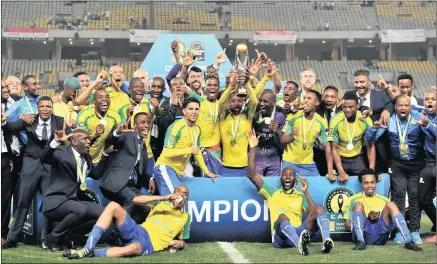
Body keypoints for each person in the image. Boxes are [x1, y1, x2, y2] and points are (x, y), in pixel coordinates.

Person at [247, 129, 334, 255]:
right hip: (281, 237)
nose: (288, 176)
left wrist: (306, 193)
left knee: (319, 208)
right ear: (281, 178)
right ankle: (300, 243)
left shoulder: (300, 195)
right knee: (282, 217)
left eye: (291, 174)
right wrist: (253, 148)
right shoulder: (272, 192)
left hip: (300, 231)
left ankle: (327, 240)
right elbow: (252, 175)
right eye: (285, 174)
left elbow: (312, 213)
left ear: (295, 179)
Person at [366, 95, 431, 244]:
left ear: (410, 107)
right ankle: (400, 232)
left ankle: (414, 231)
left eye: (406, 105)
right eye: (400, 105)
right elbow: (370, 139)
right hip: (397, 164)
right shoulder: (389, 120)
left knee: (414, 197)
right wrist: (374, 128)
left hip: (415, 163)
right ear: (395, 107)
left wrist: (426, 126)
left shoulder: (418, 117)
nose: (403, 108)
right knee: (399, 197)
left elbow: (431, 137)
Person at [2, 96, 64, 249]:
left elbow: (69, 136)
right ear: (37, 108)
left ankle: (48, 240)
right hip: (30, 166)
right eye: (42, 106)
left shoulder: (59, 121)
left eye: (48, 106)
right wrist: (19, 117)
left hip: (50, 167)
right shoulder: (29, 119)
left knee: (50, 204)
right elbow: (9, 126)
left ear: (52, 108)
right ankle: (12, 238)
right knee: (22, 203)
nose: (45, 109)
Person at [64, 184, 190, 259]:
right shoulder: (161, 203)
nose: (181, 195)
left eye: (185, 194)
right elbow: (135, 200)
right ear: (173, 193)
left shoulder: (186, 217)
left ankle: (92, 253)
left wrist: (182, 244)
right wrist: (164, 197)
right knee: (113, 206)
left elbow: (185, 241)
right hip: (138, 229)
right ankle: (87, 248)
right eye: (178, 191)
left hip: (148, 243)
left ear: (186, 199)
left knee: (132, 249)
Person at [41, 128, 105, 251]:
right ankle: (52, 238)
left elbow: (96, 174)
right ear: (74, 142)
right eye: (85, 139)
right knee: (81, 210)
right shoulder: (62, 153)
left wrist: (106, 154)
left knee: (103, 213)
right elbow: (44, 158)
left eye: (88, 139)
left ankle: (68, 237)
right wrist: (55, 141)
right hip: (55, 201)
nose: (89, 142)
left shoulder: (86, 157)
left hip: (73, 201)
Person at [343, 169, 422, 251]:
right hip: (363, 233)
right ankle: (360, 241)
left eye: (372, 182)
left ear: (376, 183)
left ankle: (408, 242)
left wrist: (379, 220)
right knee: (358, 204)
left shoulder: (384, 200)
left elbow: (391, 225)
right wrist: (367, 219)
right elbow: (347, 226)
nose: (369, 186)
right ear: (361, 184)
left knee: (391, 204)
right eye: (366, 183)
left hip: (381, 235)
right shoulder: (352, 200)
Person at [153, 97, 217, 195]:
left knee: (179, 202)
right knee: (175, 199)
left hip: (178, 172)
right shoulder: (176, 127)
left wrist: (207, 172)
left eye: (197, 109)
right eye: (191, 109)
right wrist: (189, 150)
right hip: (165, 167)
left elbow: (197, 151)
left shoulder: (197, 129)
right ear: (184, 111)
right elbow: (167, 153)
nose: (194, 112)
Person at [100, 113, 155, 223]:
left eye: (148, 123)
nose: (146, 125)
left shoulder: (143, 147)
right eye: (143, 122)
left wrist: (150, 179)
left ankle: (132, 232)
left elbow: (139, 173)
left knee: (147, 208)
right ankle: (117, 235)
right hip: (115, 182)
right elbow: (111, 141)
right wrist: (118, 132)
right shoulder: (128, 136)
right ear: (135, 125)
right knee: (132, 200)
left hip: (130, 186)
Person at [281, 89, 334, 179]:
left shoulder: (322, 122)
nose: (305, 100)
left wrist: (330, 172)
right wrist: (291, 137)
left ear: (317, 103)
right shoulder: (293, 116)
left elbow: (327, 147)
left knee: (317, 186)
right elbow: (283, 139)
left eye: (309, 98)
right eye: (304, 98)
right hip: (289, 162)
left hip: (308, 164)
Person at [329, 91, 375, 182]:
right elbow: (333, 148)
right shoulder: (334, 120)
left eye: (350, 107)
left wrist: (371, 170)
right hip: (340, 158)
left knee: (364, 181)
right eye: (344, 107)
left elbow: (371, 146)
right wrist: (341, 171)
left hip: (357, 158)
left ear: (357, 106)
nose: (347, 110)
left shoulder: (366, 120)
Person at [220, 69, 258, 177]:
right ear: (228, 104)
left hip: (244, 166)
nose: (236, 103)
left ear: (243, 103)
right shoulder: (223, 118)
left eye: (239, 101)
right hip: (226, 166)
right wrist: (231, 86)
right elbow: (221, 102)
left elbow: (254, 101)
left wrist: (247, 83)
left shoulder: (247, 117)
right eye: (233, 101)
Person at [354, 70, 393, 173]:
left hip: (379, 147)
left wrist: (387, 110)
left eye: (362, 82)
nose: (359, 85)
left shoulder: (380, 95)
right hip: (358, 149)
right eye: (356, 82)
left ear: (369, 82)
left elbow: (393, 103)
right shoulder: (350, 97)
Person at [118, 77, 155, 177]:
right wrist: (128, 117)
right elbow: (122, 130)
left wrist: (156, 107)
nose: (139, 89)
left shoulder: (149, 104)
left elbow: (157, 113)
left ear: (144, 89)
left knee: (150, 183)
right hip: (130, 154)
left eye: (141, 86)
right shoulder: (123, 107)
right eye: (135, 86)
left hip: (147, 153)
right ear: (129, 90)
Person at [76, 88, 121, 165]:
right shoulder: (83, 116)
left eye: (107, 97)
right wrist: (95, 135)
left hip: (100, 159)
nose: (104, 99)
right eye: (100, 97)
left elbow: (113, 139)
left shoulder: (115, 116)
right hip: (82, 159)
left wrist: (118, 132)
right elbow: (79, 143)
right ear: (94, 102)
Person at [253, 90, 286, 176]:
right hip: (258, 152)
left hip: (273, 153)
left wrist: (277, 129)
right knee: (255, 181)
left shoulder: (280, 115)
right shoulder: (255, 114)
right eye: (260, 100)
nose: (261, 103)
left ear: (274, 102)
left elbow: (283, 138)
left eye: (265, 101)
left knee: (273, 182)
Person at [418, 90, 436, 233]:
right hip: (428, 162)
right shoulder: (420, 113)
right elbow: (401, 103)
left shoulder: (427, 120)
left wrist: (428, 124)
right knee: (423, 199)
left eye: (433, 99)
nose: (429, 101)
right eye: (427, 99)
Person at [5, 75, 40, 145]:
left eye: (18, 83)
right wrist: (20, 116)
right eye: (11, 83)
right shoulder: (17, 104)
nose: (15, 85)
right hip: (25, 148)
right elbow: (4, 120)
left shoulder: (39, 100)